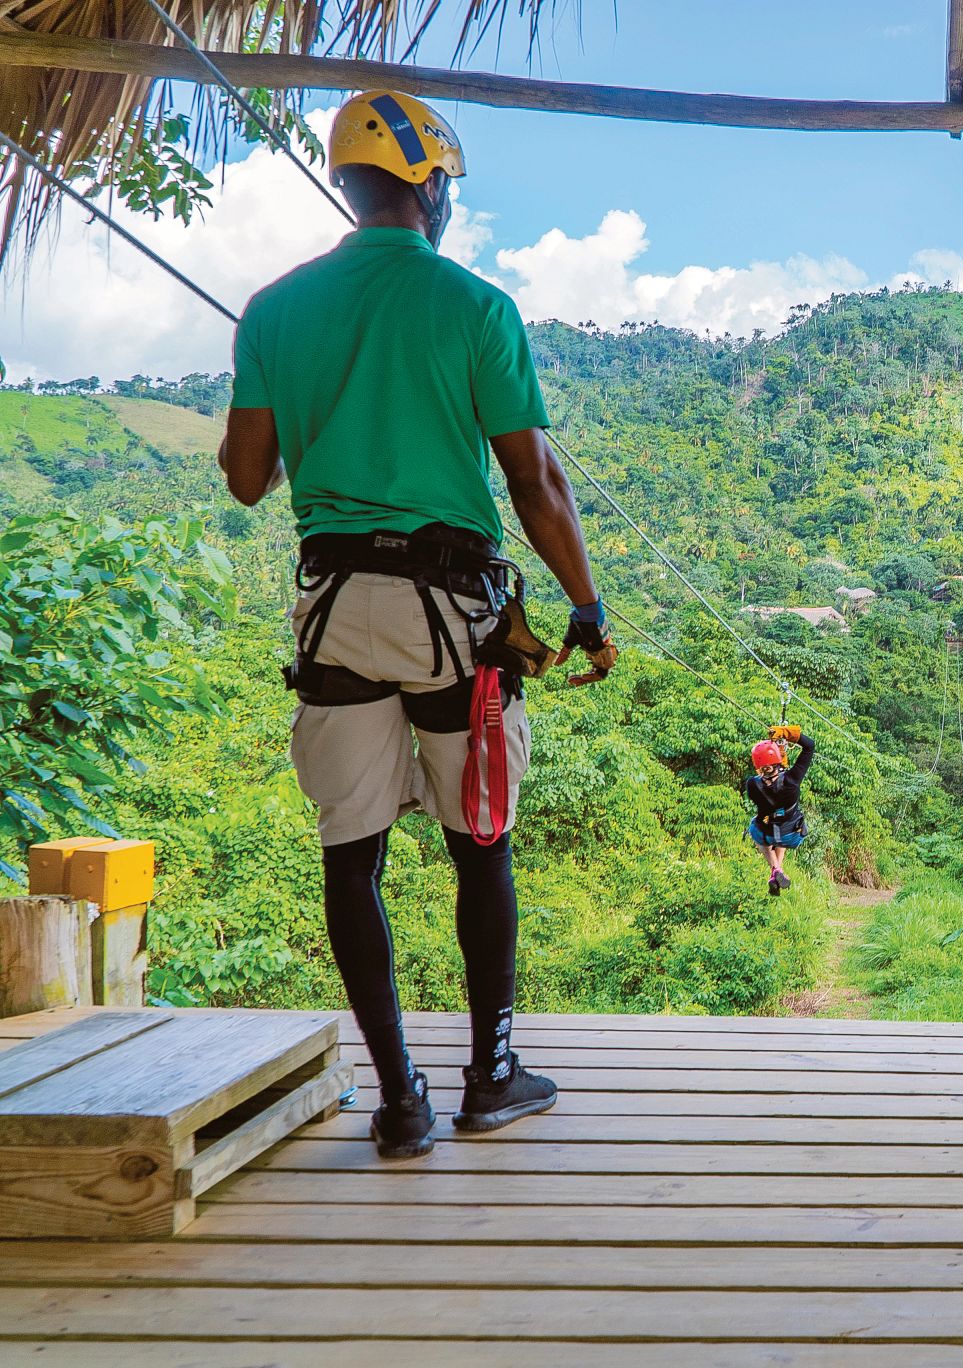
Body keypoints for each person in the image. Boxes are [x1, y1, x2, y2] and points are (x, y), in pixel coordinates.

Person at [217, 90, 618, 1160]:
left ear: (348, 186)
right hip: (453, 613)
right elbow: (532, 482)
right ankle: (490, 1076)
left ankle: (399, 1101)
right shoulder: (475, 307)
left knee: (351, 858)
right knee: (477, 844)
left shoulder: (275, 309)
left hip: (336, 611)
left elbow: (248, 479)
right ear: (431, 187)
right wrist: (583, 609)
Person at [745, 724, 814, 895]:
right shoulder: (792, 780)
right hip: (791, 835)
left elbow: (768, 781)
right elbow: (809, 746)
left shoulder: (752, 785)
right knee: (783, 827)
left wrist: (777, 756)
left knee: (757, 827)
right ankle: (776, 872)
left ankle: (775, 868)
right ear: (777, 761)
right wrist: (788, 734)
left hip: (766, 833)